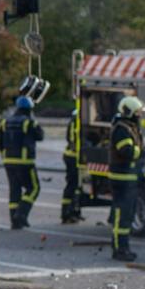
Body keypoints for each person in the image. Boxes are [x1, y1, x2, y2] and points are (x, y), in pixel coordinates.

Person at [107, 95, 145, 262]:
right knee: (121, 217)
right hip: (121, 179)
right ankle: (119, 250)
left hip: (129, 178)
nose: (140, 116)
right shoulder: (122, 129)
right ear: (129, 112)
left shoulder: (129, 127)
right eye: (137, 113)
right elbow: (127, 152)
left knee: (127, 216)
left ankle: (124, 248)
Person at [0, 94, 43, 230]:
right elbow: (40, 136)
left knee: (14, 190)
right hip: (25, 162)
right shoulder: (29, 122)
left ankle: (14, 221)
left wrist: (4, 156)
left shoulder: (5, 122)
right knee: (34, 188)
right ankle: (21, 214)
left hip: (8, 161)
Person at [59, 96, 83, 224]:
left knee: (75, 186)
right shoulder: (77, 121)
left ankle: (73, 212)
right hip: (74, 157)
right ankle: (66, 213)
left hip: (71, 156)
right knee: (72, 186)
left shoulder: (73, 120)